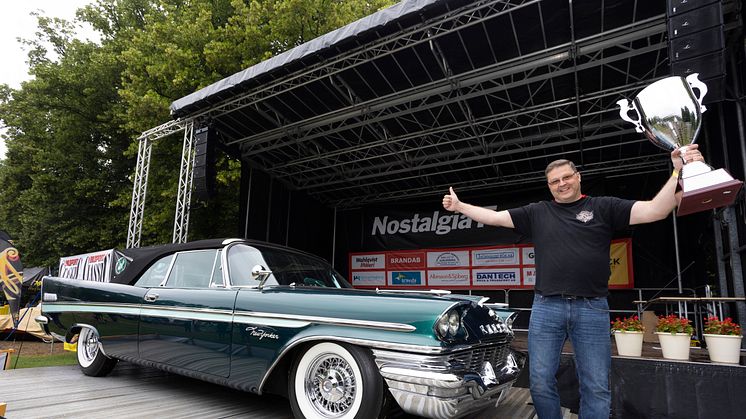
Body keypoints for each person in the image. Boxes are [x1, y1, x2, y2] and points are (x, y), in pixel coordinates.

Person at [442, 145, 703, 419]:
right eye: (554, 181)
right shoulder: (537, 212)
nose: (561, 184)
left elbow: (654, 210)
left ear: (578, 177)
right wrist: (460, 206)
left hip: (591, 308)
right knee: (540, 382)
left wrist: (678, 172)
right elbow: (494, 217)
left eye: (566, 177)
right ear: (549, 186)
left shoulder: (603, 207)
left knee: (597, 386)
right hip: (546, 308)